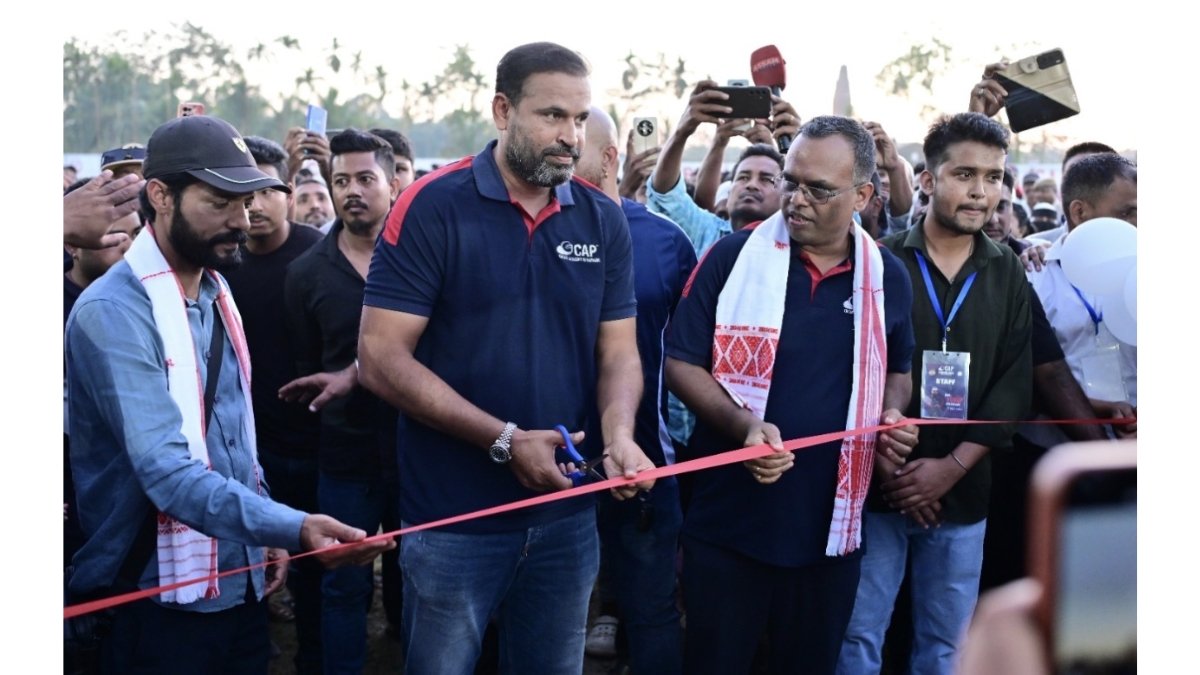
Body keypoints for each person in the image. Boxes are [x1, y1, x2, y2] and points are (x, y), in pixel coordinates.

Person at [357, 41, 655, 675]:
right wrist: (503, 440)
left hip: (569, 517)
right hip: (453, 517)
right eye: (552, 116)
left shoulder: (603, 218)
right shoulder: (434, 205)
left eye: (579, 119)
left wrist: (620, 435)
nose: (570, 136)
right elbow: (380, 357)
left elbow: (620, 352)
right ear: (502, 110)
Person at [65, 114, 391, 674]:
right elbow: (167, 473)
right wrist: (290, 525)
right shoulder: (113, 313)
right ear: (161, 196)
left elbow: (235, 437)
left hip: (236, 580)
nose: (242, 219)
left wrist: (260, 533)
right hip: (155, 594)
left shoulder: (216, 291)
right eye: (220, 202)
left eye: (249, 200)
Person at [666, 115, 917, 674]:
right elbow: (681, 362)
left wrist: (892, 416)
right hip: (728, 526)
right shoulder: (734, 258)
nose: (795, 200)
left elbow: (898, 367)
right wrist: (742, 426)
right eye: (791, 180)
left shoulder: (887, 276)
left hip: (830, 536)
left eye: (818, 189)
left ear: (863, 196)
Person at [839, 112, 1032, 675]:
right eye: (964, 174)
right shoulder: (877, 261)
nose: (980, 192)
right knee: (857, 637)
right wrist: (892, 465)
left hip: (965, 492)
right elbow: (849, 367)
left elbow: (1013, 386)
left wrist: (949, 467)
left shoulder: (1008, 272)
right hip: (876, 490)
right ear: (926, 179)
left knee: (947, 647)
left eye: (994, 177)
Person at [575, 106, 697, 674]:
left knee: (650, 611)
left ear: (607, 157)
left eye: (571, 141)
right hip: (541, 459)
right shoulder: (518, 233)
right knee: (539, 612)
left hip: (643, 458)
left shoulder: (666, 241)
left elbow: (697, 351)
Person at [282, 129, 405, 674]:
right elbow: (308, 364)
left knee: (426, 581)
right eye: (340, 181)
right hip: (345, 457)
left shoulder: (418, 258)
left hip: (419, 447)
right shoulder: (305, 273)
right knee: (342, 588)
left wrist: (357, 372)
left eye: (364, 178)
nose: (351, 191)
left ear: (391, 182)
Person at [222, 135, 326, 674]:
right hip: (241, 450)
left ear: (287, 192)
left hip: (312, 444)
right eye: (242, 193)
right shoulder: (218, 260)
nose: (255, 205)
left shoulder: (318, 253)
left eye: (266, 190)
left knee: (314, 567)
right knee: (246, 559)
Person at [646, 79, 800, 255]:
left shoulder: (800, 242)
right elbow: (666, 195)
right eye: (743, 177)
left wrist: (800, 145)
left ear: (785, 193)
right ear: (729, 193)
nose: (751, 185)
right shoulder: (707, 232)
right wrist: (683, 130)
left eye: (765, 179)